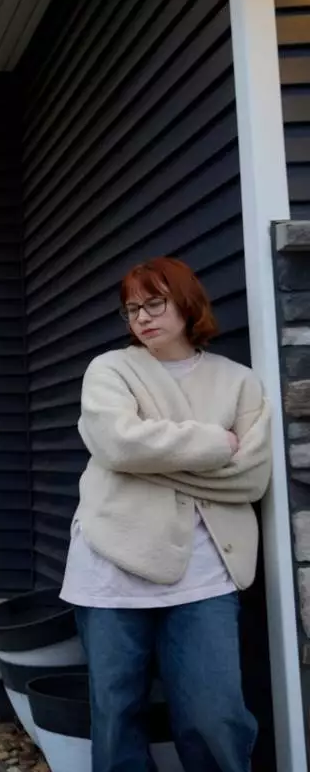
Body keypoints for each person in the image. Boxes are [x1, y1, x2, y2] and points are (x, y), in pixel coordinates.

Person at [60, 257, 271, 772]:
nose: (142, 317)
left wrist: (150, 461)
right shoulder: (111, 369)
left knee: (217, 716)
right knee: (116, 717)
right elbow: (118, 443)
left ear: (186, 301)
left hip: (205, 572)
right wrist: (214, 444)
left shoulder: (239, 382)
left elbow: (250, 477)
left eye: (154, 303)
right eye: (132, 309)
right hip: (111, 564)